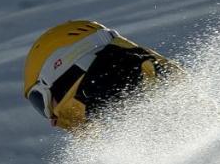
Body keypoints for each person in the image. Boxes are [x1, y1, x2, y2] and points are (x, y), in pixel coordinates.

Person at [23, 20, 178, 130]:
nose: (53, 120)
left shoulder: (144, 116)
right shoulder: (151, 85)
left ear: (65, 74)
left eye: (41, 102)